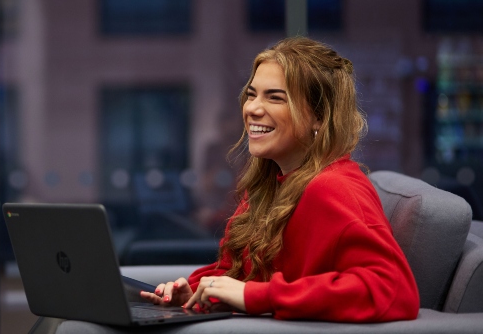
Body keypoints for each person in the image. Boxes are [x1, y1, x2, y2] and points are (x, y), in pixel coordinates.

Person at [140, 37, 420, 322]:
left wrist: (256, 297)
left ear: (320, 118)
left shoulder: (334, 188)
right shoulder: (272, 182)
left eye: (275, 97)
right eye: (252, 94)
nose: (252, 109)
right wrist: (197, 293)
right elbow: (241, 271)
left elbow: (394, 290)